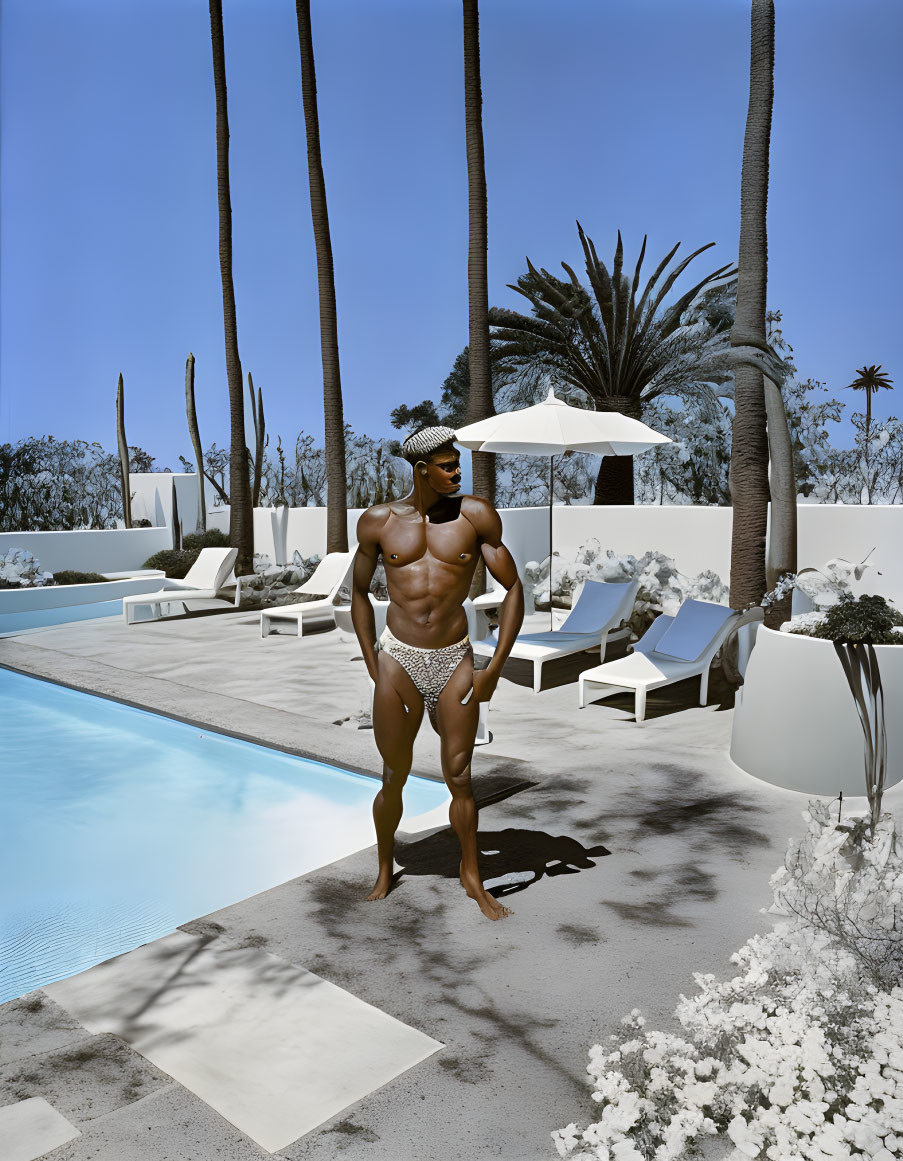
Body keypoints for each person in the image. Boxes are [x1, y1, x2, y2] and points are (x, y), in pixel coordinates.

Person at [351, 426, 524, 920]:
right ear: (421, 469)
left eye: (457, 464)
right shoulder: (379, 522)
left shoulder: (476, 517)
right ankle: (386, 867)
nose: (456, 472)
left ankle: (473, 875)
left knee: (461, 777)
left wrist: (494, 666)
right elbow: (358, 593)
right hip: (399, 659)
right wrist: (372, 662)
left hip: (454, 659)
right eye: (447, 466)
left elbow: (514, 590)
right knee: (394, 774)